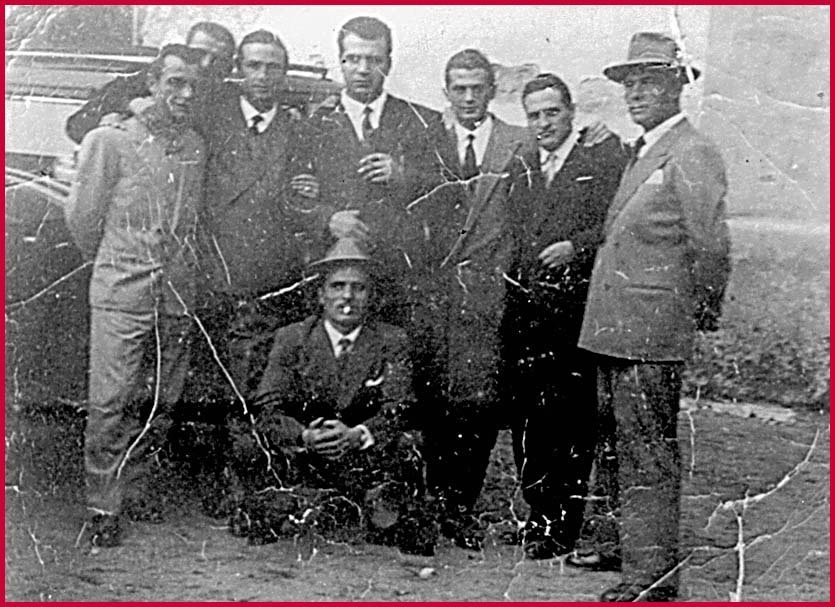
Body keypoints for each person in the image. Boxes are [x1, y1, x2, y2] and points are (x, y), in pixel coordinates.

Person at [572, 32, 731, 601]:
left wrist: (694, 313)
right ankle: (615, 546)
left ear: (677, 88)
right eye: (630, 84)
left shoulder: (691, 151)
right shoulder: (644, 150)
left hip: (652, 329)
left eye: (650, 83)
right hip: (616, 325)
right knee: (614, 442)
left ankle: (650, 577)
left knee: (646, 451)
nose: (636, 93)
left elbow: (710, 246)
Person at [64, 44, 207, 549]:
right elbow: (83, 219)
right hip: (122, 290)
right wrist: (117, 263)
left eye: (193, 86)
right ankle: (103, 503)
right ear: (152, 84)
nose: (184, 94)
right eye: (175, 83)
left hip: (176, 294)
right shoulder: (110, 139)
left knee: (161, 399)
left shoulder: (195, 146)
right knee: (111, 400)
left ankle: (137, 487)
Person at [185, 29, 321, 515]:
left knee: (257, 387)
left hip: (270, 283)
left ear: (285, 74)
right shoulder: (209, 116)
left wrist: (310, 196)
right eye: (254, 66)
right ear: (239, 69)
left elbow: (308, 203)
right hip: (212, 277)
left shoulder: (301, 131)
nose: (263, 76)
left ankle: (249, 482)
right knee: (207, 386)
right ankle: (208, 481)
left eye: (273, 67)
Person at [228, 238, 435, 556]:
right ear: (321, 295)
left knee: (409, 448)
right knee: (250, 443)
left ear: (371, 296)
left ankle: (373, 509)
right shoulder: (293, 337)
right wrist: (305, 436)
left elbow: (399, 405)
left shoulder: (391, 340)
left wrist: (357, 434)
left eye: (358, 288)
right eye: (337, 286)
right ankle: (288, 505)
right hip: (307, 451)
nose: (347, 296)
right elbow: (268, 405)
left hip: (360, 453)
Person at [406, 48, 533, 550]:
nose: (468, 98)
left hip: (486, 296)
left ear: (492, 90)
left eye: (477, 88)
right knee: (433, 402)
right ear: (446, 92)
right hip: (432, 297)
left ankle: (461, 507)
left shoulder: (518, 142)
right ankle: (431, 502)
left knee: (476, 406)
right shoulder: (426, 140)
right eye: (458, 88)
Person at [503, 73, 629, 560]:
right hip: (526, 315)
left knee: (570, 424)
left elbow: (616, 225)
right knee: (529, 422)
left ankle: (561, 527)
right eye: (534, 115)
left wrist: (576, 247)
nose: (543, 123)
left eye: (552, 112)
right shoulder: (523, 165)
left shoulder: (599, 160)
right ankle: (538, 515)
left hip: (574, 315)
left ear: (571, 113)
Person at [306, 15, 445, 326]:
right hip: (338, 272)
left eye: (374, 60)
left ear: (388, 64)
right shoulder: (312, 126)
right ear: (341, 62)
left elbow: (451, 194)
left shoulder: (423, 121)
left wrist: (403, 176)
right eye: (353, 59)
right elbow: (291, 196)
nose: (363, 69)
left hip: (402, 276)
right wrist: (327, 218)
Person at [65, 21, 235, 144]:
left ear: (228, 68)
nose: (206, 63)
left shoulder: (228, 98)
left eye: (218, 60)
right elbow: (77, 126)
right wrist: (128, 105)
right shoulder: (150, 79)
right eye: (199, 53)